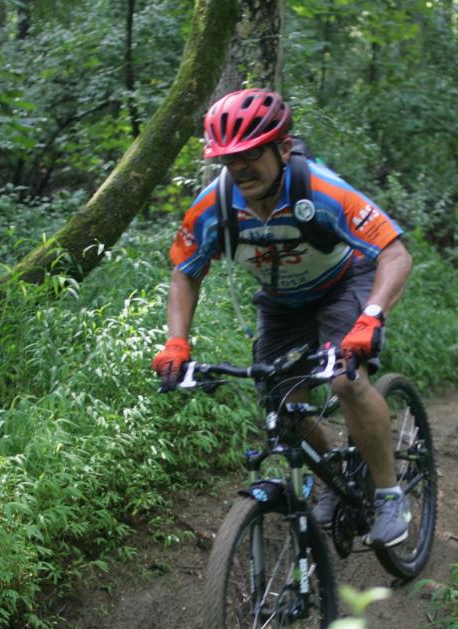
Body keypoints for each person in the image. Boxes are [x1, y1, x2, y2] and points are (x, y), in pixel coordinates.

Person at [151, 88, 415, 548]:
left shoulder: (323, 190)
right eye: (229, 159)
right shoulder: (213, 208)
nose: (240, 168)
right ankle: (334, 468)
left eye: (252, 154)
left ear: (283, 148)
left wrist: (371, 316)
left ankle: (390, 493)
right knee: (279, 401)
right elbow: (185, 272)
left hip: (343, 284)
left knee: (347, 382)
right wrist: (177, 342)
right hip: (280, 302)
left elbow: (394, 253)